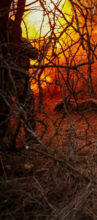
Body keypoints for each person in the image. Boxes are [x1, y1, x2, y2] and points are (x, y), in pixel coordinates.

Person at [0, 19, 39, 148]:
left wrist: (20, 46)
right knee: (3, 111)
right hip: (5, 83)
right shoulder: (2, 44)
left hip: (22, 81)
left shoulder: (22, 41)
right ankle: (3, 139)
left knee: (28, 109)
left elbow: (35, 54)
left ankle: (30, 138)